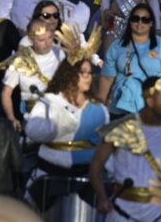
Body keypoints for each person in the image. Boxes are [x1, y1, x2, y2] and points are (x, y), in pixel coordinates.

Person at [23, 26, 108, 209]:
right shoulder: (49, 102)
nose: (87, 78)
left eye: (89, 73)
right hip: (48, 178)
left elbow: (104, 146)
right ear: (69, 75)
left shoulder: (99, 110)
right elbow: (33, 131)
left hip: (84, 181)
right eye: (81, 73)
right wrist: (59, 125)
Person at [90, 76, 161, 222]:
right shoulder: (121, 129)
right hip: (121, 215)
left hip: (159, 217)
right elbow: (96, 166)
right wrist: (102, 197)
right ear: (150, 101)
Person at [98, 3, 161, 119]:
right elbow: (107, 79)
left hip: (151, 109)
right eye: (135, 19)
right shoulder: (117, 46)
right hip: (118, 109)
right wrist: (99, 109)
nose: (140, 23)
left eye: (145, 20)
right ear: (130, 21)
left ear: (151, 23)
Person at [0, 19, 63, 131]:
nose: (48, 43)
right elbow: (6, 93)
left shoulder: (59, 54)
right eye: (41, 40)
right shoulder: (19, 60)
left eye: (49, 38)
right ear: (30, 39)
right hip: (33, 118)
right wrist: (12, 119)